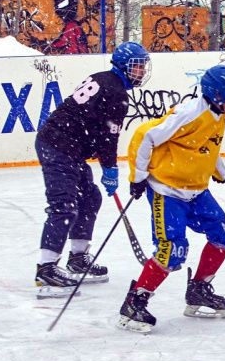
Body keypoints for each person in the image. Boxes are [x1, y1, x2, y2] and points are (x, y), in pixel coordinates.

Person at [118, 65, 225, 332]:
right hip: (168, 191)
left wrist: (220, 171)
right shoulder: (189, 113)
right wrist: (138, 177)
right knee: (172, 251)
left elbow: (208, 145)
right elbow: (145, 136)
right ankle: (135, 303)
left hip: (197, 190)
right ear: (218, 93)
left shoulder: (221, 113)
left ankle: (198, 289)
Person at [34, 41, 148, 294]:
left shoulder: (103, 79)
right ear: (123, 66)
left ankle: (77, 258)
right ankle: (46, 268)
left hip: (66, 147)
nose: (141, 71)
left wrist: (105, 163)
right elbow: (108, 137)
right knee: (63, 206)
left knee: (90, 197)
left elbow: (95, 126)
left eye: (142, 66)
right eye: (137, 66)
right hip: (58, 146)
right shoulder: (116, 92)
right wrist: (110, 168)